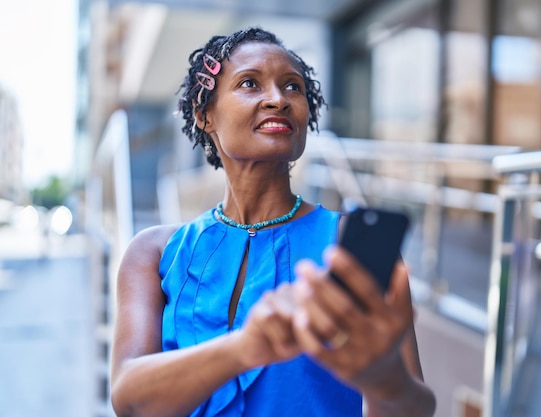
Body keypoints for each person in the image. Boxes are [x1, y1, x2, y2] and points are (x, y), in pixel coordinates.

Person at [110, 27, 436, 417]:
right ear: (205, 115)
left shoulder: (348, 245)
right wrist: (244, 348)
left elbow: (415, 405)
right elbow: (128, 400)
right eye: (250, 83)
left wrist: (385, 380)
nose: (278, 100)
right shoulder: (154, 252)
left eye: (293, 87)